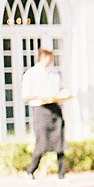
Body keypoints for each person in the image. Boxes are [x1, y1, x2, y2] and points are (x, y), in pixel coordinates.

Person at [22, 47, 70, 179]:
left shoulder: (54, 73)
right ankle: (30, 171)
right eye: (49, 57)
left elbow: (60, 88)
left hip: (55, 107)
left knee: (60, 141)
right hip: (40, 108)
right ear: (42, 57)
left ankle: (61, 174)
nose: (51, 60)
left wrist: (64, 93)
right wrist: (39, 95)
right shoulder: (31, 73)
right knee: (42, 142)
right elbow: (25, 94)